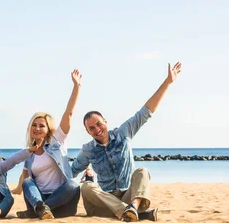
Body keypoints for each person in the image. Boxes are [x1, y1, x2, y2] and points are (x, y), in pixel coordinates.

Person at [71, 62, 182, 222]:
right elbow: (70, 173)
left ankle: (133, 209)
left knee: (142, 171)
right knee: (87, 187)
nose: (97, 129)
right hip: (104, 202)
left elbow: (146, 112)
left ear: (106, 122)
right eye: (91, 128)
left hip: (129, 196)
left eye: (99, 124)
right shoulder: (88, 150)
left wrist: (168, 82)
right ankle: (132, 212)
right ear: (88, 132)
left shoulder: (124, 132)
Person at [12, 69, 83, 219]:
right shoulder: (29, 152)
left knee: (73, 184)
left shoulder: (57, 140)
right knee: (27, 182)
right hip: (39, 199)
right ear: (30, 128)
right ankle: (40, 208)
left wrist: (76, 87)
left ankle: (39, 210)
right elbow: (25, 175)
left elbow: (68, 113)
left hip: (63, 201)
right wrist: (18, 188)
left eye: (41, 125)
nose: (37, 128)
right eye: (34, 125)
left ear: (48, 128)